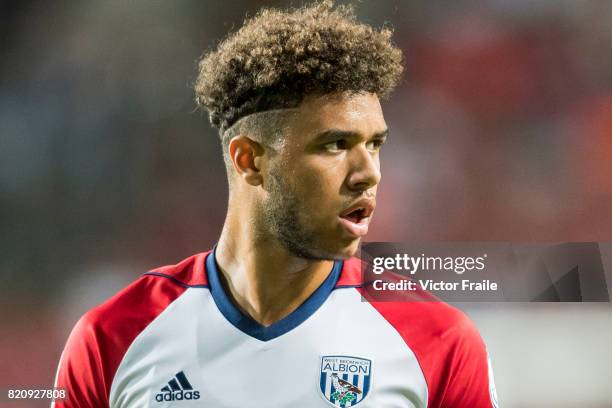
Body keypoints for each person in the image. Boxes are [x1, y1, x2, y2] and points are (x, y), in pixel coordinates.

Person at [53, 1, 498, 407]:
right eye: (336, 144)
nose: (370, 172)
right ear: (249, 161)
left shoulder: (438, 341)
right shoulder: (112, 338)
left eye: (375, 144)